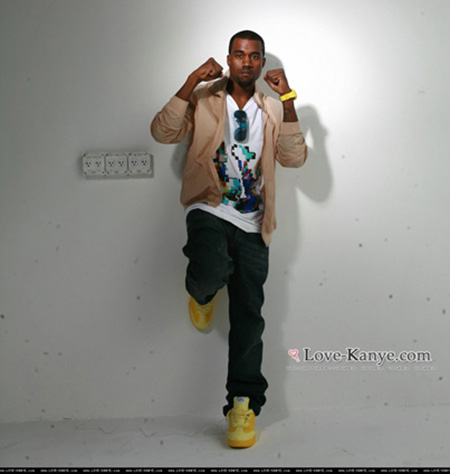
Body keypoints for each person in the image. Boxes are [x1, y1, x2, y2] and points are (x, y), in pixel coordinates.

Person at [151, 30, 307, 448]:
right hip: (209, 205)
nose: (246, 62)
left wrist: (288, 98)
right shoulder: (204, 98)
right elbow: (163, 133)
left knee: (248, 318)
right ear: (229, 59)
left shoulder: (271, 108)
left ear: (261, 63)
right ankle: (202, 293)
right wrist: (191, 82)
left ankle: (243, 405)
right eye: (239, 55)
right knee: (209, 270)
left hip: (255, 222)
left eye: (254, 56)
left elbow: (293, 158)